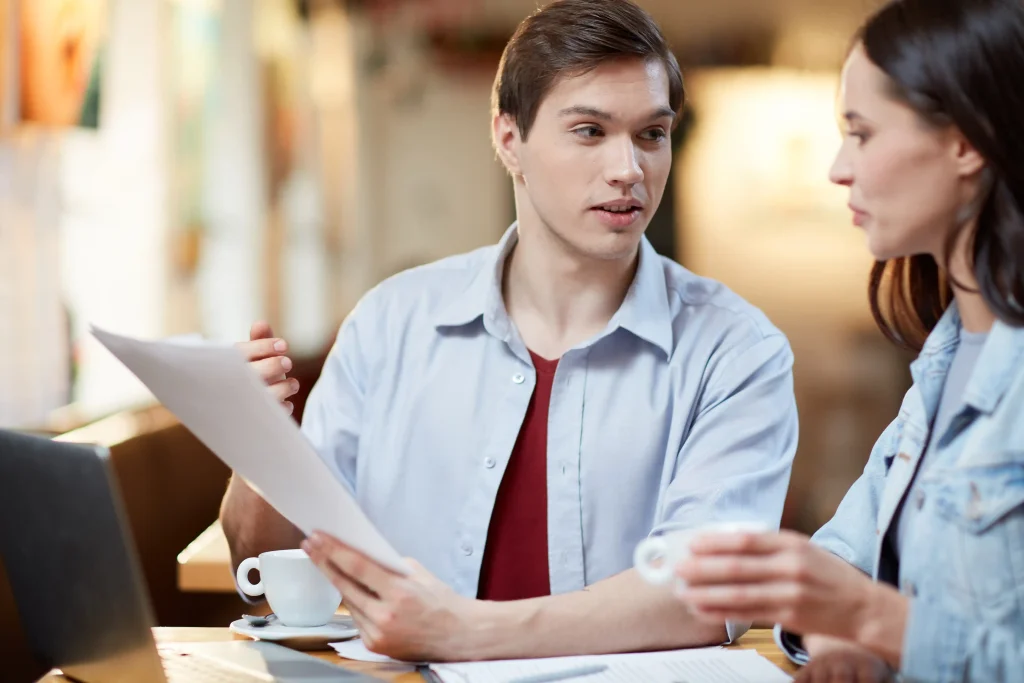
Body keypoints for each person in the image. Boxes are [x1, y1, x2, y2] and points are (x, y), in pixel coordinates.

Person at [222, 0, 798, 662]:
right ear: (508, 139)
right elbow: (265, 563)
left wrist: (463, 630)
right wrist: (257, 443)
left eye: (650, 134)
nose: (628, 169)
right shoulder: (390, 324)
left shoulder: (737, 351)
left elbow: (707, 592)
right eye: (589, 131)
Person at [675, 0, 1024, 681]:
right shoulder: (944, 365)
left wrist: (874, 620)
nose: (837, 168)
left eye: (860, 133)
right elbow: (841, 556)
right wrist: (843, 637)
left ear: (965, 141)